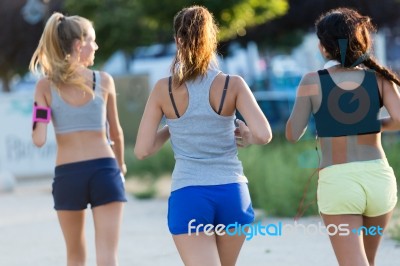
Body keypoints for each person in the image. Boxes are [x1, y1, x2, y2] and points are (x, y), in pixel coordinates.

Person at [134, 5, 272, 266]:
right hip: (232, 192)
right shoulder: (233, 84)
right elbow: (264, 135)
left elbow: (142, 150)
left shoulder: (163, 89)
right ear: (213, 40)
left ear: (177, 40)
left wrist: (171, 127)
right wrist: (245, 133)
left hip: (189, 194)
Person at [286, 7, 399, 266]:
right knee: (367, 261)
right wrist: (369, 124)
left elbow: (293, 134)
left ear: (324, 46)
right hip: (379, 178)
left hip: (339, 181)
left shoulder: (312, 80)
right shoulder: (379, 77)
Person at [30, 12, 127, 266]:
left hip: (68, 175)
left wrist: (41, 111)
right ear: (78, 44)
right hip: (105, 171)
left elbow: (38, 138)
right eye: (92, 41)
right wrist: (121, 167)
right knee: (108, 257)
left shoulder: (44, 86)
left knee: (75, 256)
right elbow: (116, 132)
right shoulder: (103, 80)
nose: (95, 46)